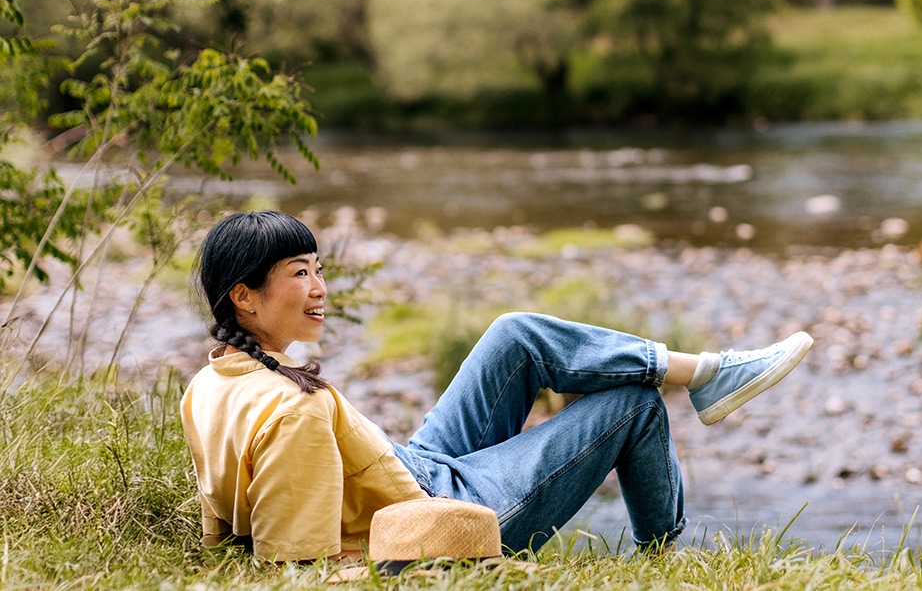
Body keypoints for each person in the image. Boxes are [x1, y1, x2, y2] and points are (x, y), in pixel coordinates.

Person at [179, 211, 813, 561]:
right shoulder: (297, 411)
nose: (320, 289)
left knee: (516, 334)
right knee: (633, 406)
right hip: (438, 506)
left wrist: (217, 548)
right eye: (299, 273)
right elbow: (299, 564)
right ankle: (664, 560)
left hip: (409, 466)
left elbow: (221, 512)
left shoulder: (209, 383)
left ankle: (707, 372)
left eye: (319, 269)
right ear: (244, 296)